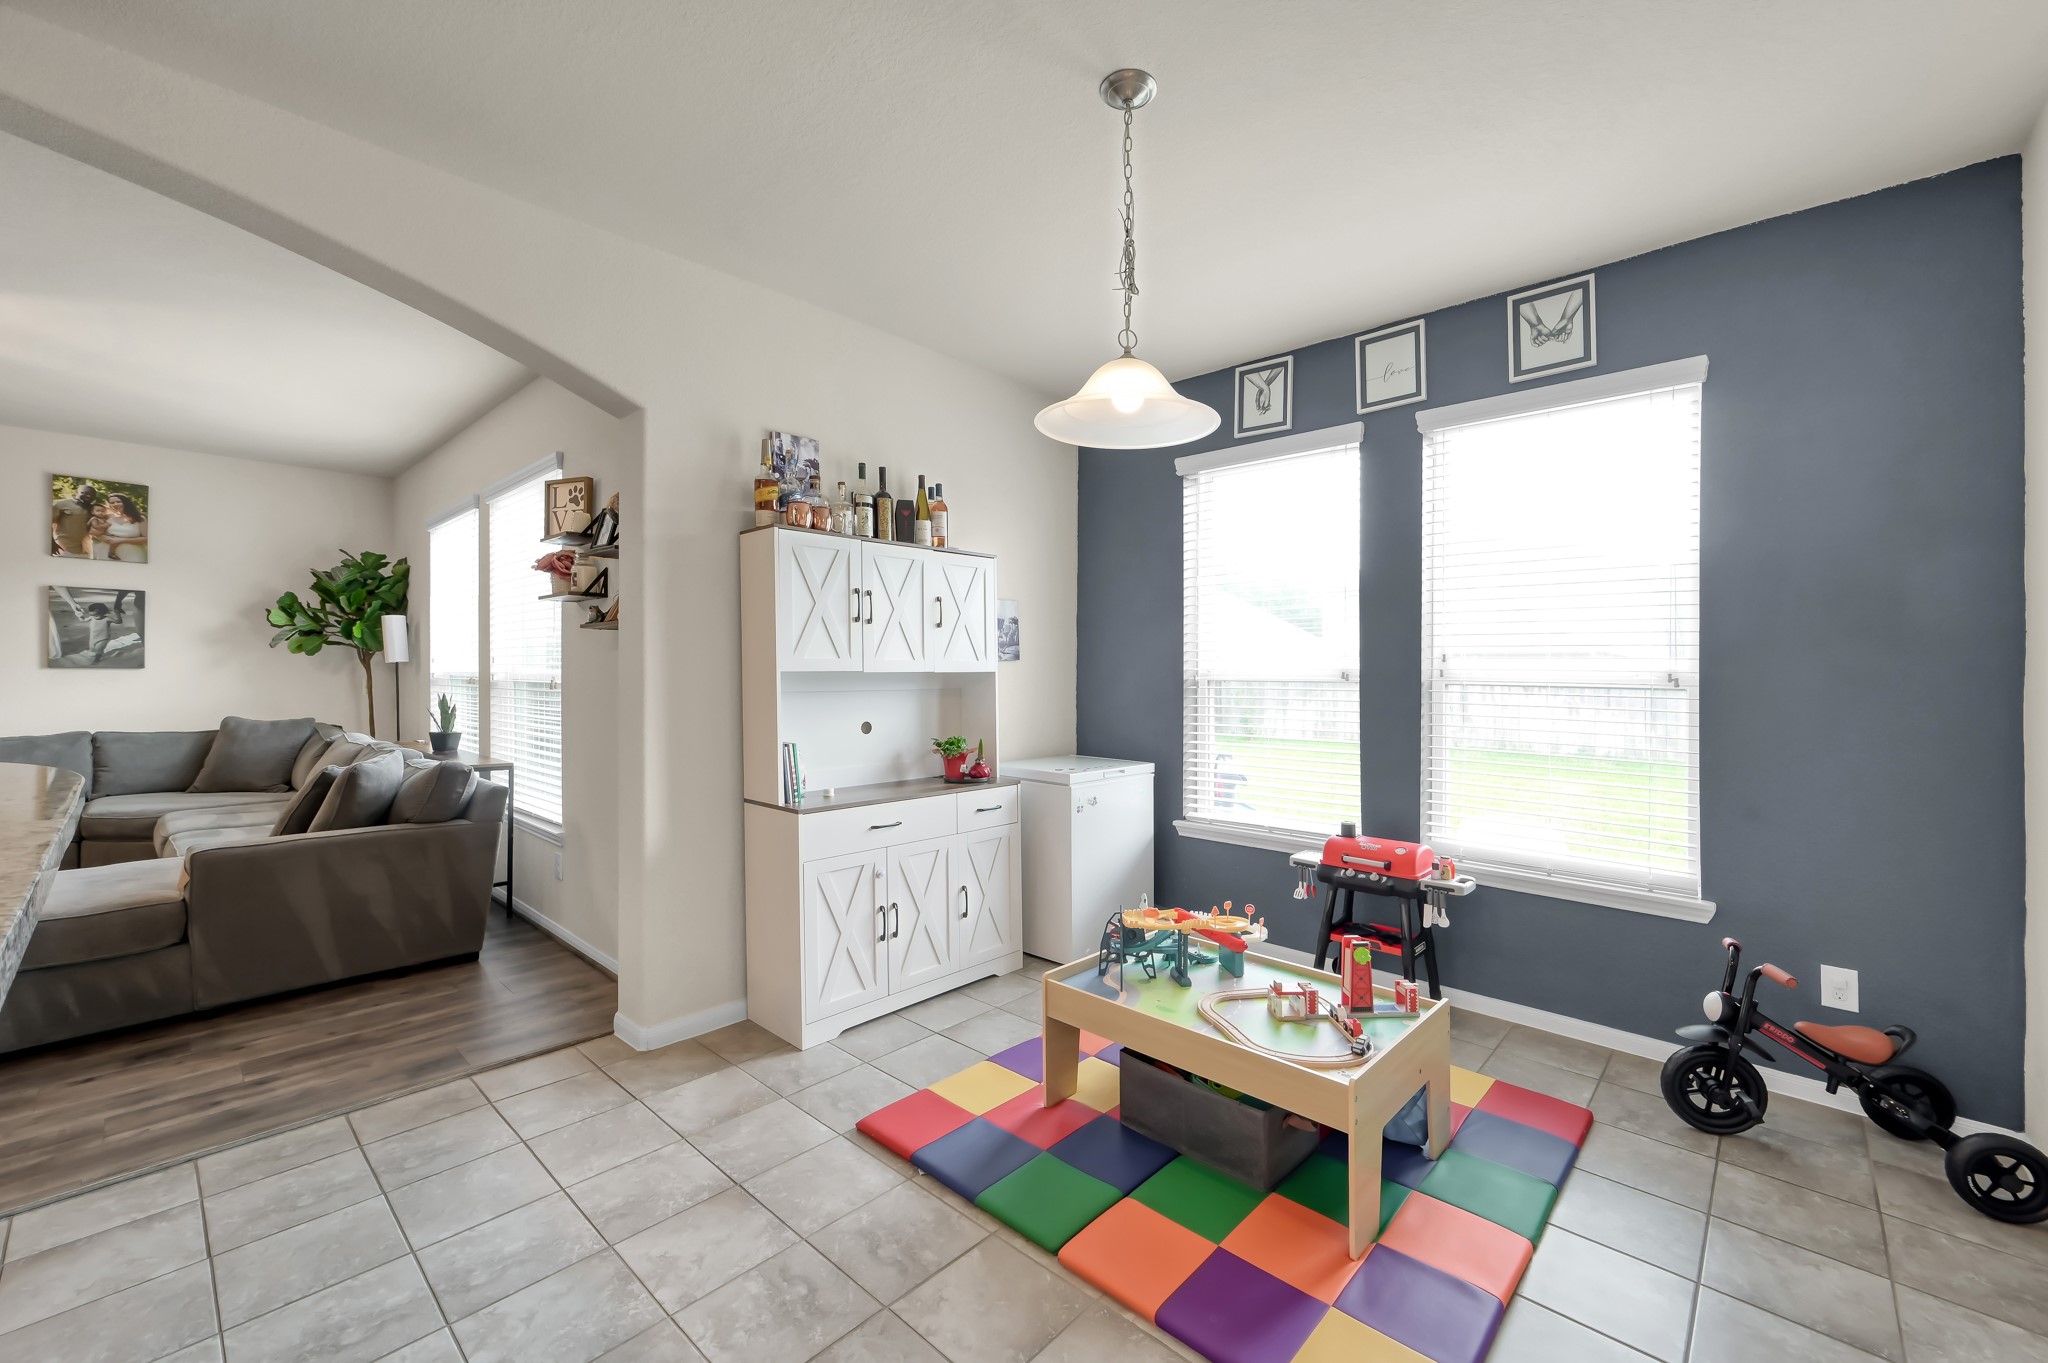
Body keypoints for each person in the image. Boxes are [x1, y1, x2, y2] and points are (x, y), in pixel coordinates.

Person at [51, 482, 98, 557]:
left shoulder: (94, 509)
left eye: (92, 494)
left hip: (86, 550)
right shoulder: (61, 504)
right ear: (77, 492)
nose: (88, 496)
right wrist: (52, 543)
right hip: (64, 548)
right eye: (85, 493)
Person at [98, 492, 147, 563]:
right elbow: (95, 533)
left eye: (118, 501)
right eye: (112, 503)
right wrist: (107, 539)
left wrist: (120, 540)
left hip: (133, 554)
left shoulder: (139, 518)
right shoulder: (107, 517)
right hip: (107, 553)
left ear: (126, 502)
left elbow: (146, 539)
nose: (115, 504)